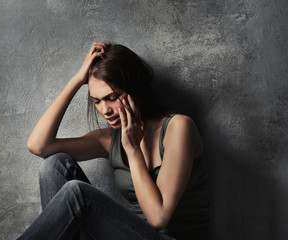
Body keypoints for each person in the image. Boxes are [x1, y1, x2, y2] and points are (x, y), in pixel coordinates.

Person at [18, 42, 210, 240]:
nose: (104, 110)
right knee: (53, 165)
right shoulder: (109, 139)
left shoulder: (178, 127)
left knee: (77, 194)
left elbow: (159, 218)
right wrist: (77, 80)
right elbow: (39, 145)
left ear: (134, 89)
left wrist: (133, 149)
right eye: (97, 101)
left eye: (111, 97)